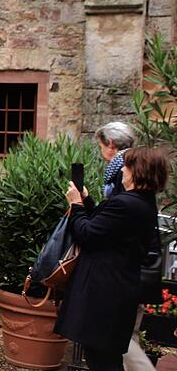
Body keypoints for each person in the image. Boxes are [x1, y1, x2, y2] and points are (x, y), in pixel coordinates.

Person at [55, 147, 168, 371]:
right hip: (115, 290)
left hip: (104, 294)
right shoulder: (141, 202)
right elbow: (107, 228)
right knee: (106, 358)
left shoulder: (125, 204)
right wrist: (86, 201)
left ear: (138, 171)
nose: (122, 170)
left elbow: (87, 234)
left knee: (102, 360)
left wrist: (75, 205)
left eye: (127, 165)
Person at [96, 121, 161, 371]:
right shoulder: (138, 164)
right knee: (127, 334)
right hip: (134, 264)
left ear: (110, 145)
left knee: (122, 338)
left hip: (122, 269)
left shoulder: (123, 169)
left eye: (101, 146)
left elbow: (117, 219)